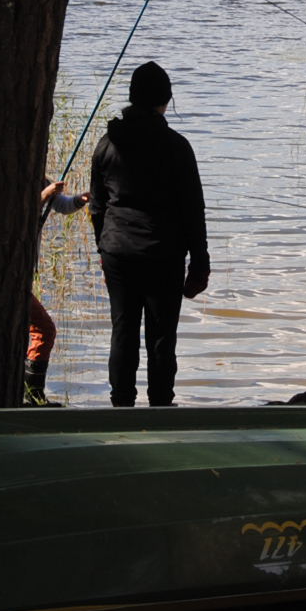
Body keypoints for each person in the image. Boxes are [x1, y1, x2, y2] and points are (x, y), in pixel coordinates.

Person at [89, 61, 210, 407]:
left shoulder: (106, 145)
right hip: (163, 254)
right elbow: (192, 210)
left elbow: (97, 206)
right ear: (166, 100)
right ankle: (160, 407)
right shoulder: (177, 146)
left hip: (118, 253)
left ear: (131, 98)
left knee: (123, 332)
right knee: (161, 337)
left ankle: (121, 407)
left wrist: (103, 247)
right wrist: (199, 262)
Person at [25, 179, 88, 406]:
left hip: (21, 275)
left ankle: (31, 395)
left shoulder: (38, 176)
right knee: (44, 329)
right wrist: (44, 195)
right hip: (10, 276)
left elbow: (62, 204)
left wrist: (80, 200)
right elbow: (18, 215)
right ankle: (33, 396)